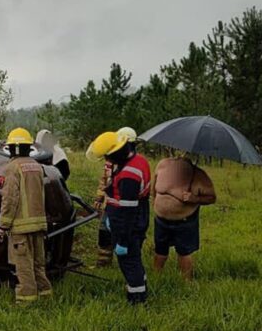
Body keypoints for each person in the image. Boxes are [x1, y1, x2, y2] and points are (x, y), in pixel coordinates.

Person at [88, 131, 151, 304]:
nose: (107, 160)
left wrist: (123, 239)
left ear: (116, 152)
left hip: (129, 222)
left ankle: (137, 299)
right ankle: (141, 284)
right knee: (135, 259)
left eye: (108, 156)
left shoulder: (129, 175)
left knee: (128, 261)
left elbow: (128, 211)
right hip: (137, 215)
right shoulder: (138, 160)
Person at [0, 127, 51, 304]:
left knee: (23, 265)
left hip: (21, 225)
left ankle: (26, 301)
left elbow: (10, 199)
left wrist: (3, 225)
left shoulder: (12, 168)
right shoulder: (37, 167)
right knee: (38, 263)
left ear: (12, 148)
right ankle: (45, 295)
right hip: (39, 224)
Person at [151, 155, 216, 280]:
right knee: (160, 250)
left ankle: (187, 283)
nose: (179, 157)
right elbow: (154, 188)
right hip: (161, 219)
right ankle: (156, 278)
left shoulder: (198, 175)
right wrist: (155, 202)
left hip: (184, 222)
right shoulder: (162, 164)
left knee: (184, 252)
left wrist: (194, 198)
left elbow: (212, 197)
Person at [91, 127, 138, 267]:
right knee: (104, 231)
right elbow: (104, 180)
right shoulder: (110, 162)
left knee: (123, 234)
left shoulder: (133, 164)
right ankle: (103, 263)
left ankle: (126, 262)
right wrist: (99, 198)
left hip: (125, 205)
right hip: (109, 203)